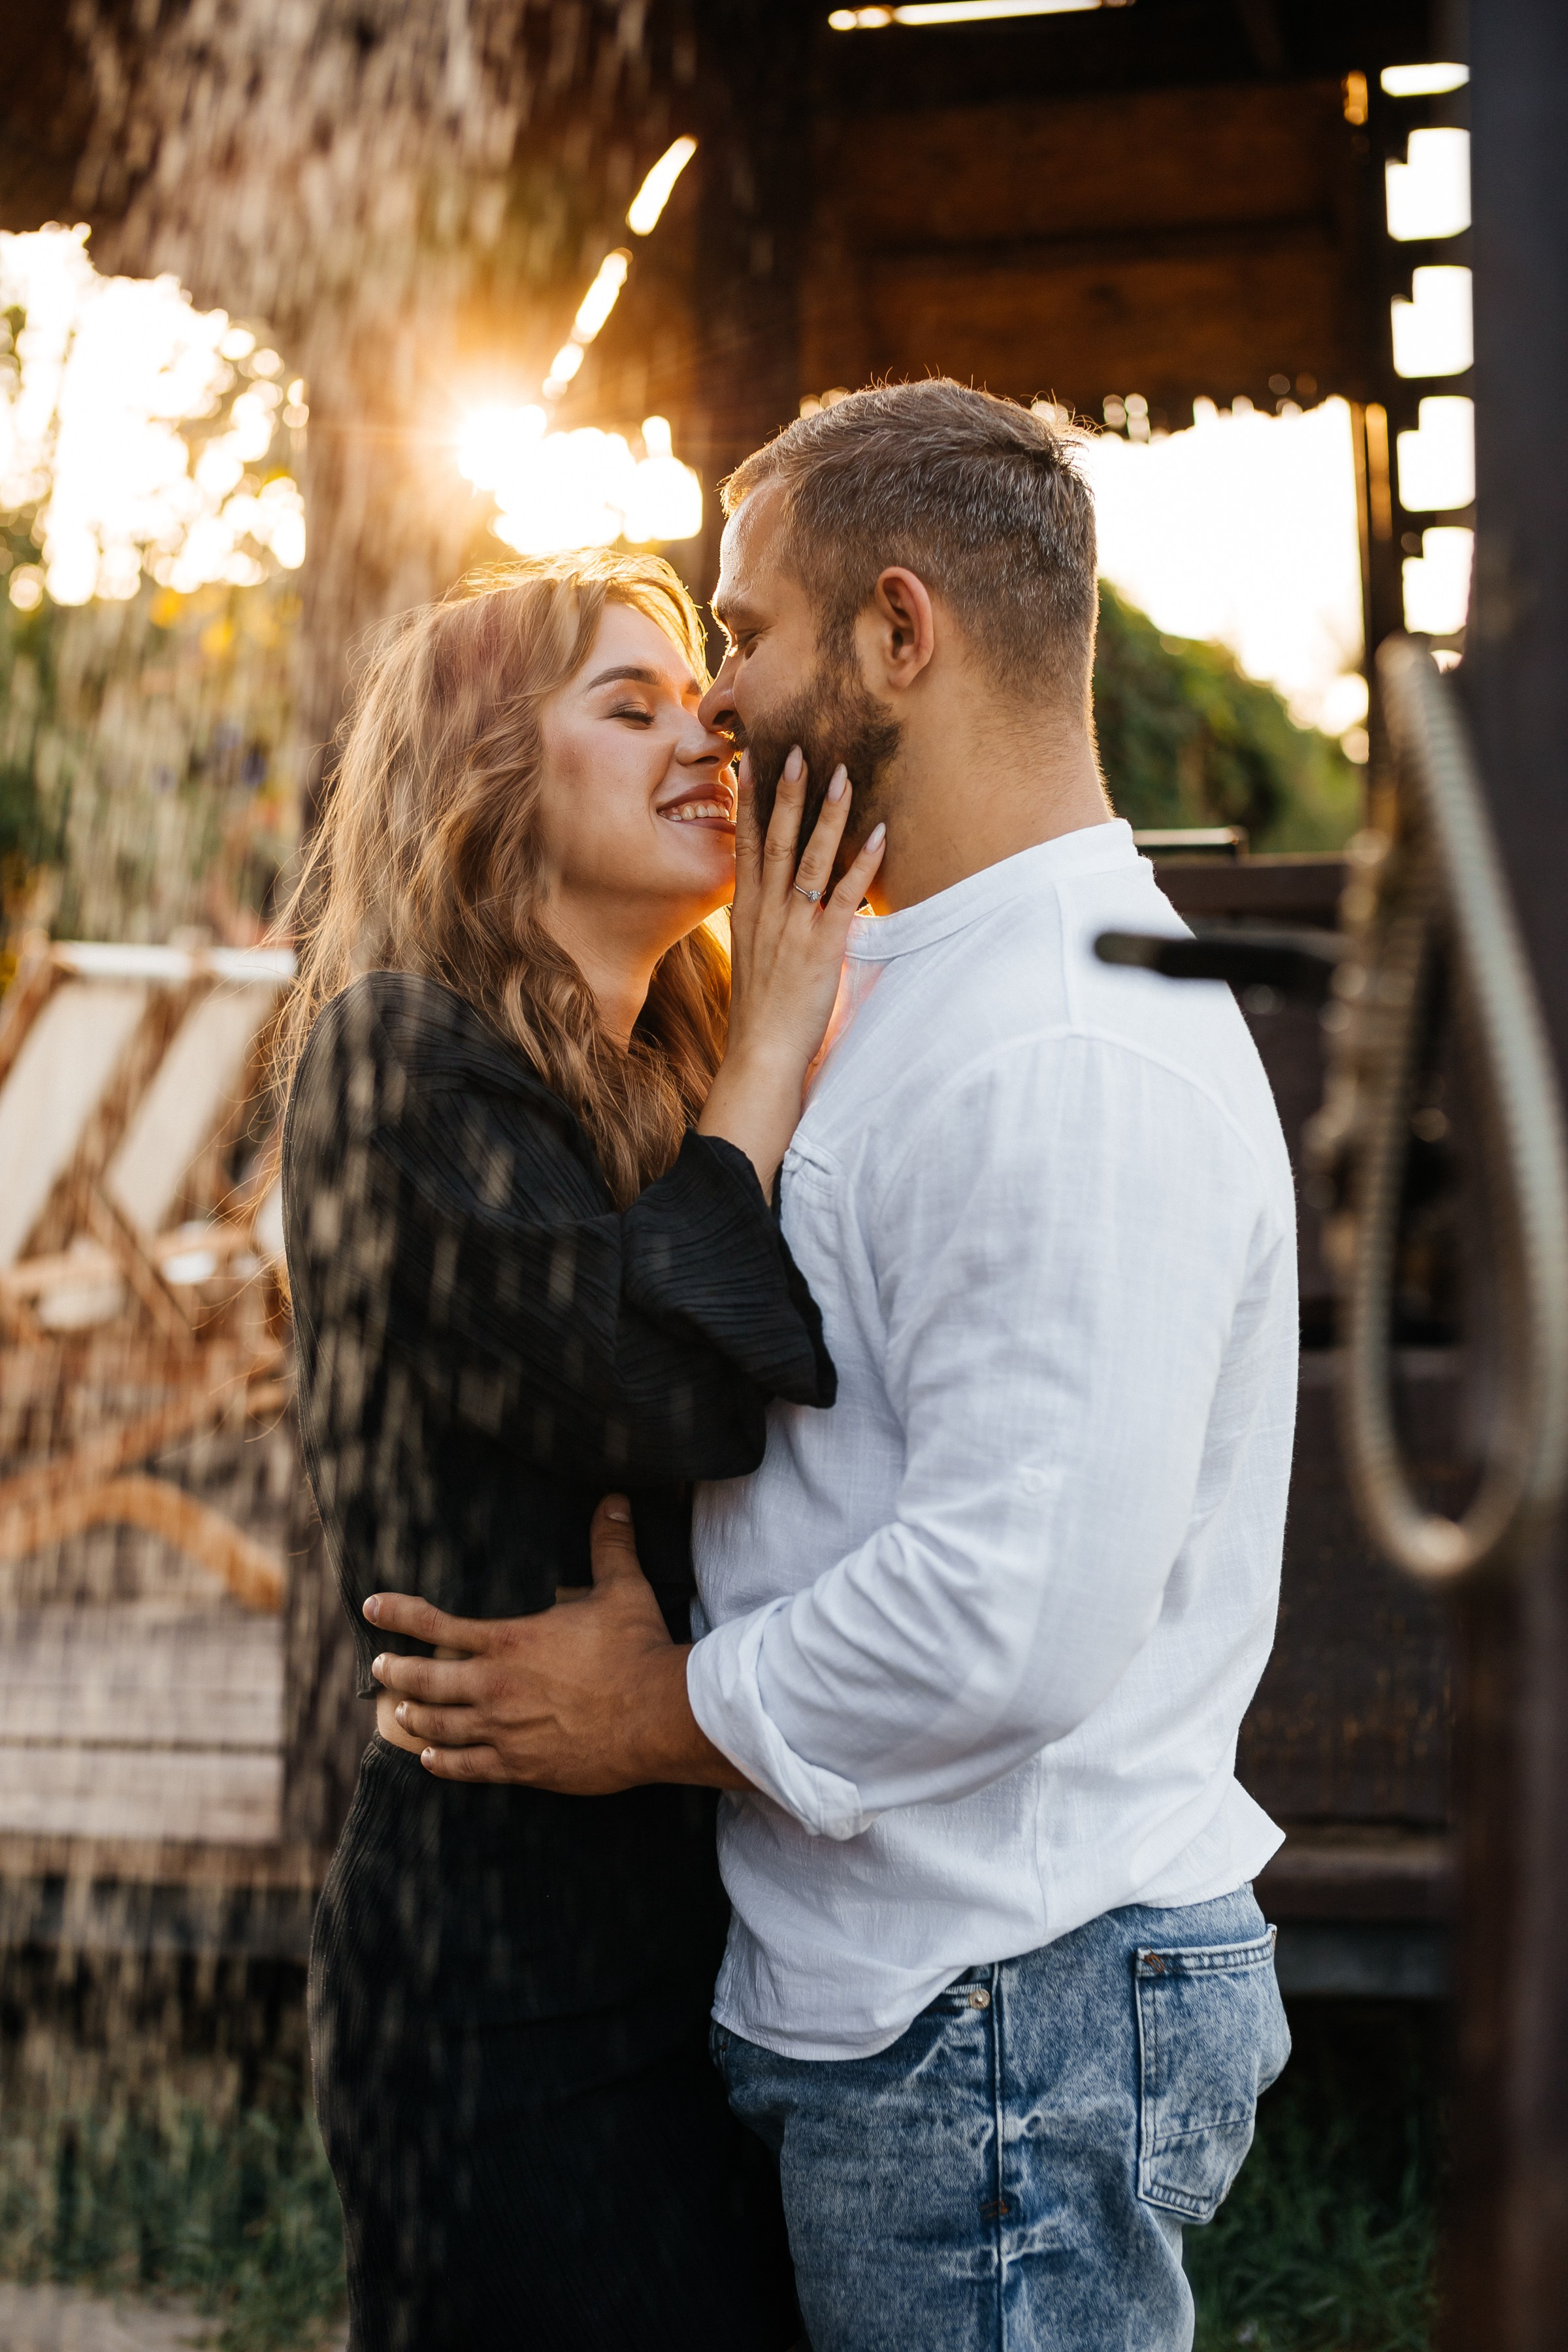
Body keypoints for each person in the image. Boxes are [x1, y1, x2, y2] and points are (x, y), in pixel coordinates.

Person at [368, 381, 1298, 2352]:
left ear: (901, 633)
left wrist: (658, 1713)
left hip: (1004, 2012)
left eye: (742, 634)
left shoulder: (1067, 1043)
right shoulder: (882, 974)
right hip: (897, 2004)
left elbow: (1009, 1614)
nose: (714, 703)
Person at [278, 547, 884, 2351]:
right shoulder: (396, 1063)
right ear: (485, 783)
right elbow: (675, 1393)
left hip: (713, 1940)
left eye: (699, 698)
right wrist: (773, 1041)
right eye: (626, 710)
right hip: (495, 1988)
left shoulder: (662, 1075)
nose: (700, 734)